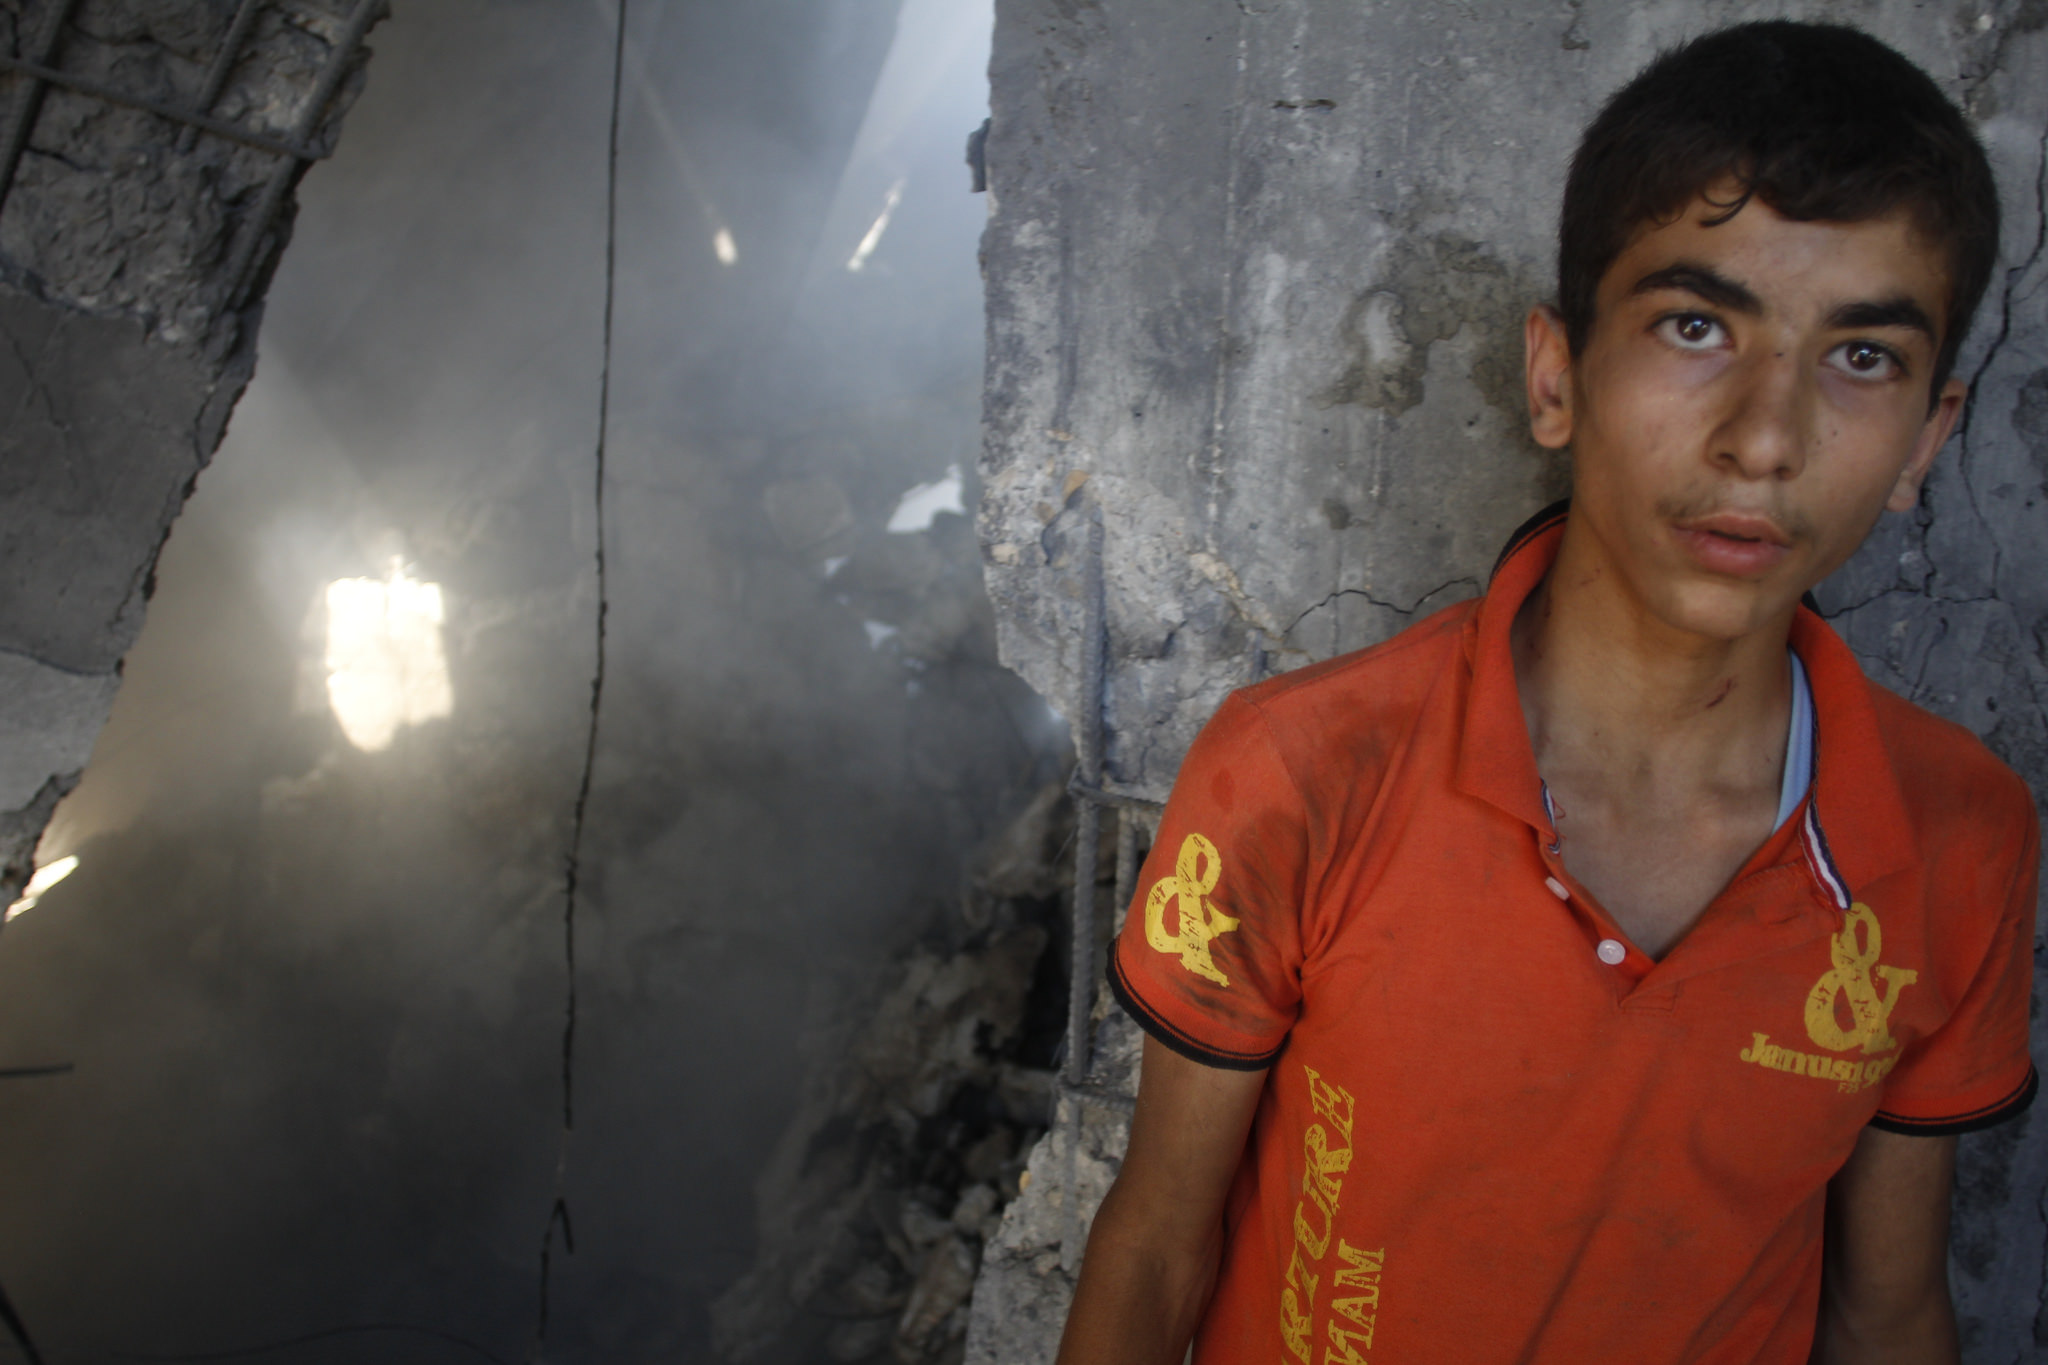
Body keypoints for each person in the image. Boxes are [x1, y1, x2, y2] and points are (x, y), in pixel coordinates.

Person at [1055, 20, 2039, 1365]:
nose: (1766, 437)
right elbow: (1160, 1246)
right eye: (1698, 326)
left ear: (1930, 434)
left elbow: (1886, 1308)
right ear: (1556, 373)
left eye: (1861, 357)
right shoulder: (1301, 771)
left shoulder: (1956, 839)